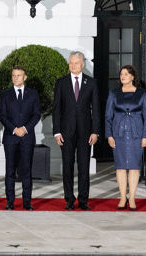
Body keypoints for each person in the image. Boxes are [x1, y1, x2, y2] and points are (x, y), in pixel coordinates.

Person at [53, 51, 100, 210]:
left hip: (86, 132)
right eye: (71, 63)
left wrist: (95, 131)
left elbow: (96, 109)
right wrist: (57, 131)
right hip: (66, 132)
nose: (73, 65)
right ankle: (69, 199)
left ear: (82, 64)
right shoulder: (61, 83)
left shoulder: (91, 83)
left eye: (76, 63)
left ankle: (83, 200)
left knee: (84, 166)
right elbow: (56, 109)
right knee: (67, 166)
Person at [105, 65, 146, 210]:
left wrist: (145, 136)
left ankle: (132, 198)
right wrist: (109, 135)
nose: (123, 76)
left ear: (133, 76)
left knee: (134, 167)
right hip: (118, 133)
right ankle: (122, 197)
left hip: (136, 134)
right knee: (120, 167)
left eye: (126, 74)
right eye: (121, 74)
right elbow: (108, 116)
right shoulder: (114, 93)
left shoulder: (143, 94)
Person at [0, 66, 40, 210]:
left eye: (18, 75)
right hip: (11, 138)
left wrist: (25, 129)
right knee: (10, 170)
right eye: (13, 75)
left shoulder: (33, 94)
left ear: (25, 77)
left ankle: (27, 202)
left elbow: (36, 115)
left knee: (26, 170)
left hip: (27, 138)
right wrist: (15, 129)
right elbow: (2, 116)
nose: (15, 78)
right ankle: (10, 201)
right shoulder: (5, 94)